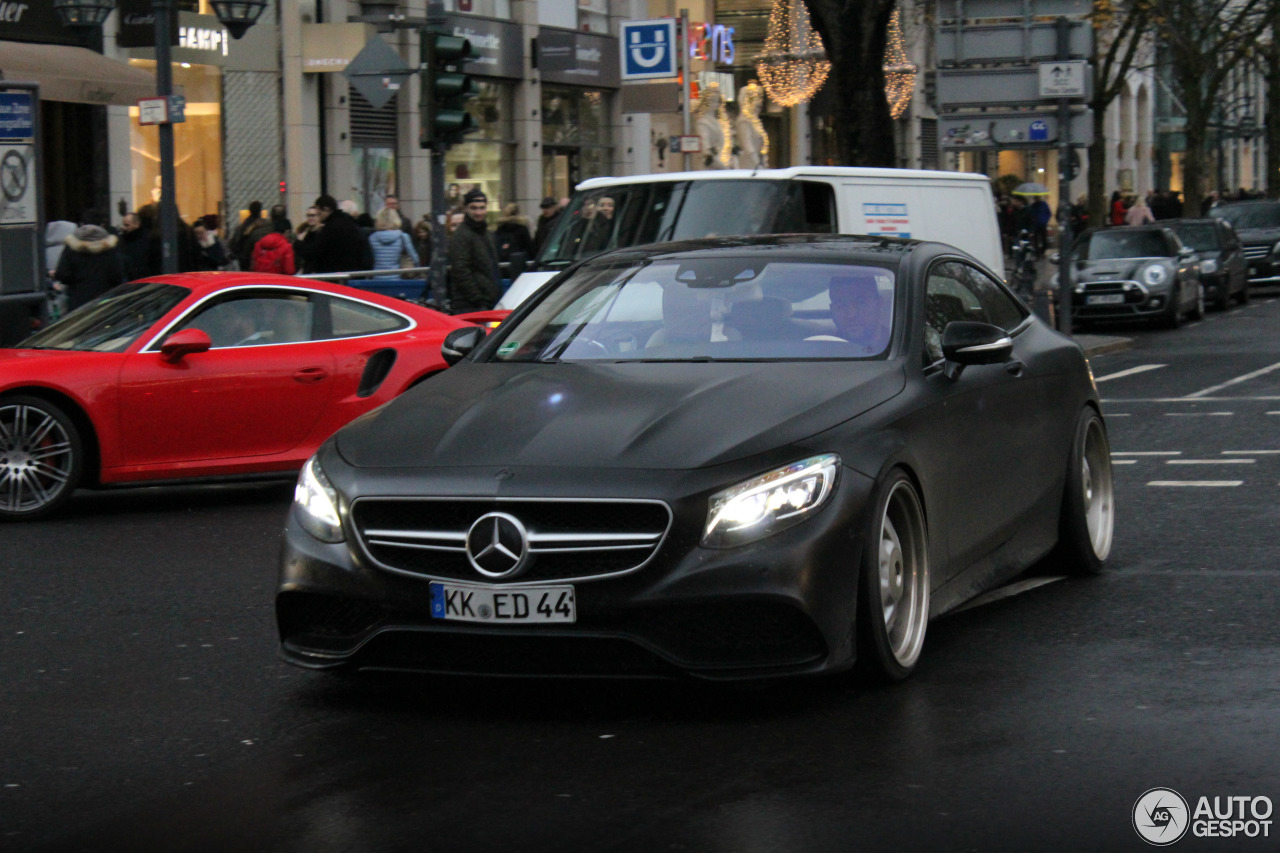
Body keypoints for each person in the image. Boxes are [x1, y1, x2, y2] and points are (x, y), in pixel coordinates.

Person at [448, 188, 500, 312]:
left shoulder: (486, 233)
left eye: (482, 208)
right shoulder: (462, 235)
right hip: (471, 304)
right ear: (466, 208)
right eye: (474, 208)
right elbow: (461, 270)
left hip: (486, 300)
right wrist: (478, 299)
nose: (478, 212)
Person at [53, 224, 127, 311]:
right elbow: (117, 276)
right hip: (105, 299)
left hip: (78, 299)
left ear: (82, 225)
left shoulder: (72, 247)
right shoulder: (110, 248)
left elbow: (63, 274)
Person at [822, 274, 890, 353]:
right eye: (841, 305)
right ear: (832, 310)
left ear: (879, 304)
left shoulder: (900, 346)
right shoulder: (824, 351)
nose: (851, 314)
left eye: (861, 303)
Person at [306, 194, 366, 273]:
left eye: (319, 213)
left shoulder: (330, 227)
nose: (319, 217)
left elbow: (315, 251)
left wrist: (299, 244)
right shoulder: (349, 224)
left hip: (334, 272)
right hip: (351, 271)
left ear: (326, 209)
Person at [368, 208, 418, 278]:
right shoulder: (403, 237)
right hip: (396, 277)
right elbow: (414, 258)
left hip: (377, 278)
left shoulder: (372, 237)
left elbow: (370, 258)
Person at [230, 201, 272, 270]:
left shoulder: (244, 225)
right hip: (260, 258)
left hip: (245, 257)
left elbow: (236, 242)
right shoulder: (265, 224)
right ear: (260, 211)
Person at [494, 203, 533, 274]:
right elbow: (530, 248)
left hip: (502, 267)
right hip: (519, 266)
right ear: (518, 213)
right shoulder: (522, 228)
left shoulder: (500, 229)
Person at [116, 212, 153, 280]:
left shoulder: (146, 240)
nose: (123, 228)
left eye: (127, 225)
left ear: (137, 224)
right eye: (124, 225)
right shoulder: (122, 240)